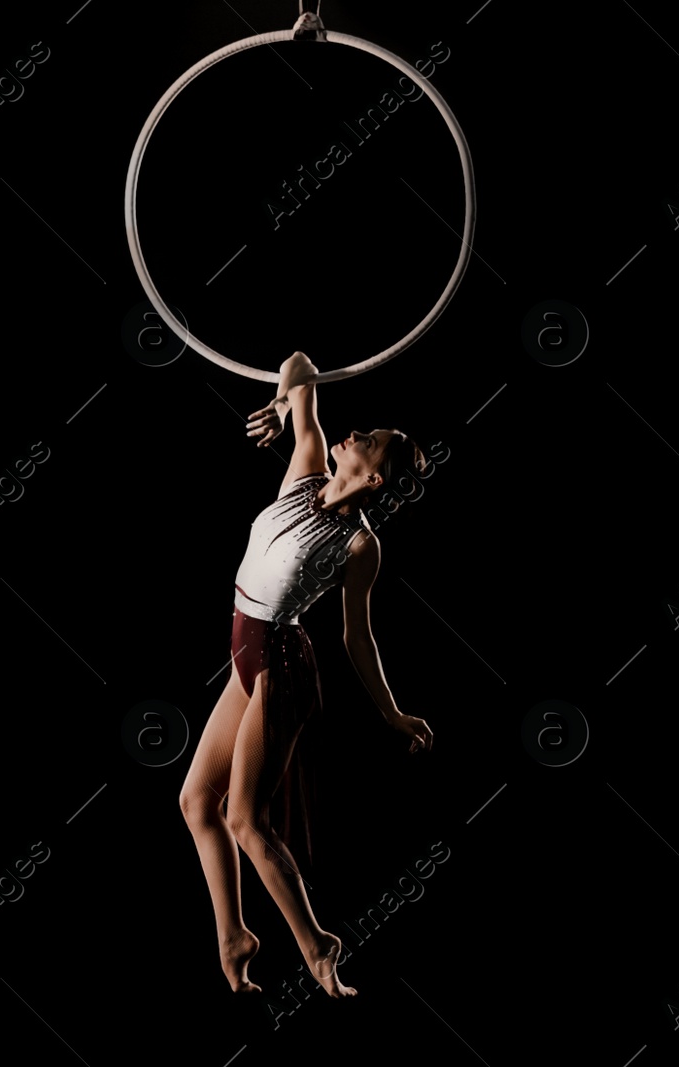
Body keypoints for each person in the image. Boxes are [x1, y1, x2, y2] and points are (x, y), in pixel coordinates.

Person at [178, 351, 435, 998]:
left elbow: (357, 637)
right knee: (194, 802)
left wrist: (393, 713)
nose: (358, 433)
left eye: (371, 441)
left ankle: (318, 945)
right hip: (245, 647)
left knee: (244, 818)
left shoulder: (360, 545)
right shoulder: (305, 464)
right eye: (365, 429)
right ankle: (234, 934)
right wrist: (281, 399)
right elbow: (301, 365)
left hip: (282, 666)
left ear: (374, 478)